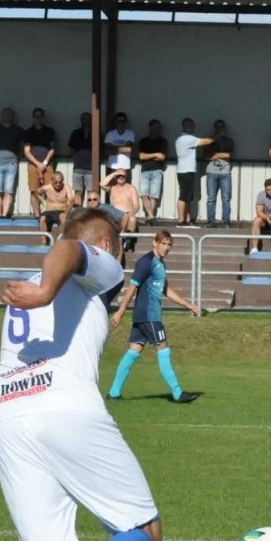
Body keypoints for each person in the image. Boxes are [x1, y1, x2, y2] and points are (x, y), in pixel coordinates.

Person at [0, 208, 169, 541]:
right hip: (64, 410)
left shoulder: (26, 281)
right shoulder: (97, 263)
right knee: (144, 530)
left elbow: (59, 257)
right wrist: (53, 285)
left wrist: (45, 286)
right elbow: (71, 250)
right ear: (108, 247)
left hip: (8, 417)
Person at [108, 229, 202, 402]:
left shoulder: (160, 264)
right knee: (163, 349)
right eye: (163, 244)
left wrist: (187, 304)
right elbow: (132, 287)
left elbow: (165, 289)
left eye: (169, 245)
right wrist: (120, 312)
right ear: (155, 243)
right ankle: (177, 393)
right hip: (149, 315)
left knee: (133, 351)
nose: (166, 248)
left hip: (144, 316)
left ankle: (114, 393)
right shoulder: (146, 262)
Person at [0, 107, 25, 219]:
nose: (7, 116)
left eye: (10, 114)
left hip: (11, 164)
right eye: (5, 114)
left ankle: (5, 214)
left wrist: (18, 156)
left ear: (13, 116)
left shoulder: (18, 130)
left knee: (9, 190)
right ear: (1, 115)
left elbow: (24, 146)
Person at [174, 118, 213, 226]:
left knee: (188, 196)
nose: (193, 127)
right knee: (183, 195)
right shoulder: (186, 138)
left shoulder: (181, 139)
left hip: (186, 170)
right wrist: (217, 135)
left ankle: (187, 219)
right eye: (191, 125)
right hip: (185, 171)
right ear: (187, 126)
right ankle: (181, 220)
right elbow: (207, 141)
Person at [22, 108, 57, 219]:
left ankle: (50, 213)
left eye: (40, 116)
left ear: (43, 117)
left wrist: (45, 162)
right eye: (36, 116)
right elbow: (26, 151)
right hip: (33, 165)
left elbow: (52, 148)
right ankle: (37, 215)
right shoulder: (28, 132)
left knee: (50, 189)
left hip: (48, 164)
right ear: (33, 117)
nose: (38, 118)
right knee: (34, 190)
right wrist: (38, 164)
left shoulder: (50, 131)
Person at [203, 120, 234, 227]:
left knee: (226, 198)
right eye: (217, 127)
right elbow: (206, 156)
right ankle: (210, 221)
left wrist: (214, 155)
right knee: (211, 198)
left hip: (225, 172)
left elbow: (228, 155)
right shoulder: (209, 140)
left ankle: (226, 221)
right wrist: (219, 155)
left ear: (225, 128)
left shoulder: (229, 141)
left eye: (221, 127)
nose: (219, 129)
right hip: (211, 172)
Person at [136, 119, 168, 222]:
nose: (157, 129)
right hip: (145, 170)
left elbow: (162, 157)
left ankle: (150, 217)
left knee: (154, 195)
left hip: (157, 170)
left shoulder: (162, 141)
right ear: (150, 127)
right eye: (155, 127)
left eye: (159, 127)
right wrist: (155, 154)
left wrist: (148, 156)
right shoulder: (144, 141)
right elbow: (141, 156)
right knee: (144, 194)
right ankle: (151, 216)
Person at [103, 162, 141, 249]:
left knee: (132, 218)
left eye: (123, 175)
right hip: (114, 214)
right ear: (115, 177)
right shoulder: (112, 188)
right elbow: (102, 184)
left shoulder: (131, 188)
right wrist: (114, 173)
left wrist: (132, 212)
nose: (121, 177)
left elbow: (136, 205)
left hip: (127, 214)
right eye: (118, 175)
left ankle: (128, 243)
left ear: (126, 177)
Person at [38, 170, 73, 234]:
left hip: (61, 211)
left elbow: (72, 201)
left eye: (60, 182)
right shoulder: (47, 188)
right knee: (42, 218)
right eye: (56, 182)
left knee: (64, 220)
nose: (58, 184)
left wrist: (65, 213)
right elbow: (36, 193)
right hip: (49, 211)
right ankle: (44, 241)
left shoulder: (66, 187)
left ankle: (59, 240)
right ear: (52, 181)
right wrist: (43, 201)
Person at [67, 113, 92, 194]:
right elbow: (71, 149)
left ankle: (90, 207)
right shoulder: (76, 133)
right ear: (81, 120)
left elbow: (101, 149)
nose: (86, 121)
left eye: (88, 118)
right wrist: (76, 159)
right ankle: (78, 207)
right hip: (78, 167)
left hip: (91, 168)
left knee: (91, 192)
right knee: (78, 192)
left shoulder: (96, 133)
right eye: (84, 119)